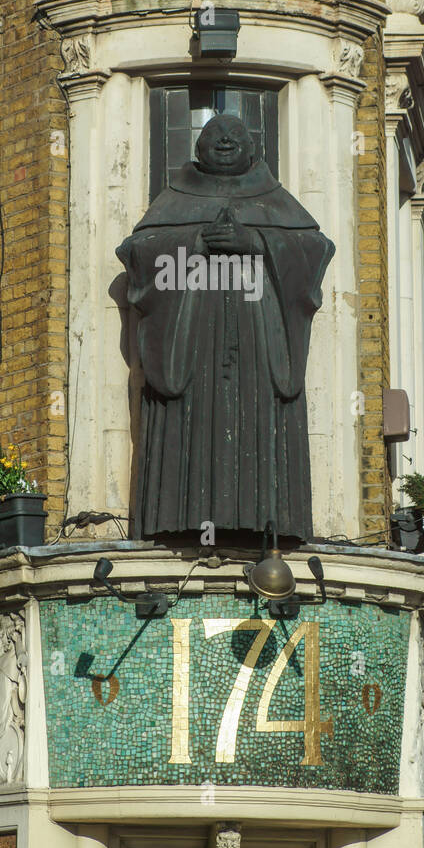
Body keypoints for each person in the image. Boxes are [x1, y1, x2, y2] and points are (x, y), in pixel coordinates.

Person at [116, 113, 334, 540]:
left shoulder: (277, 200)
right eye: (215, 134)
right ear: (197, 148)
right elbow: (138, 251)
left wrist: (256, 244)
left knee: (255, 429)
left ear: (254, 150)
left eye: (237, 134)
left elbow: (313, 249)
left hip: (257, 348)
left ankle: (266, 519)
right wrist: (196, 243)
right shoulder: (173, 200)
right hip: (192, 345)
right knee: (194, 434)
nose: (227, 141)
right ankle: (179, 518)